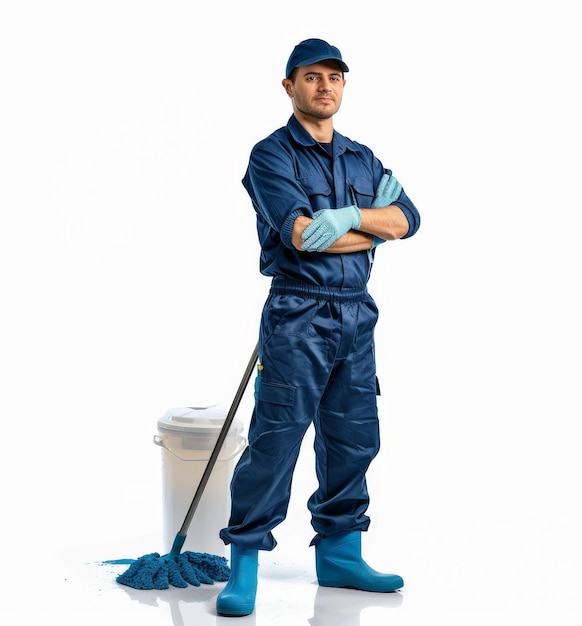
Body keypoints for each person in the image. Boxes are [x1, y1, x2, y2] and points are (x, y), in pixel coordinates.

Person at [216, 38, 421, 617]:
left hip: (358, 312)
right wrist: (377, 228)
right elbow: (302, 235)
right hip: (297, 312)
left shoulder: (362, 157)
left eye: (334, 77)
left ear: (343, 86)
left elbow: (411, 219)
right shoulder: (271, 155)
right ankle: (246, 562)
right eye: (311, 77)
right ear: (290, 86)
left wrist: (355, 218)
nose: (324, 86)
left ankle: (340, 553)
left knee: (354, 434)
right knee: (276, 438)